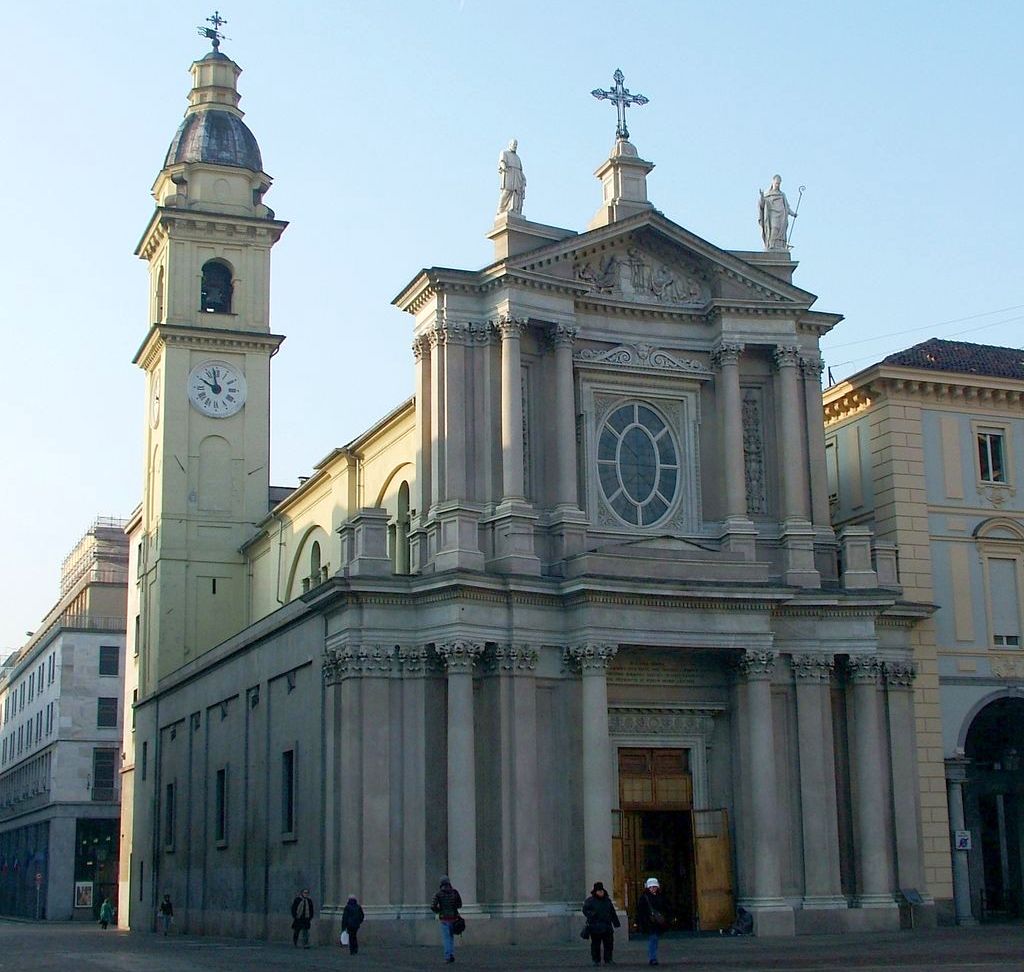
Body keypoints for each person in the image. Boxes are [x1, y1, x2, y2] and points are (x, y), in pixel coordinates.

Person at [582, 880, 620, 966]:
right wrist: (591, 915)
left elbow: (612, 912)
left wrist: (616, 923)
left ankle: (608, 959)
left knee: (609, 944)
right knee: (596, 945)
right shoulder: (590, 901)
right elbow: (585, 910)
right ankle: (596, 960)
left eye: (601, 891)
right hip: (595, 926)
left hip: (607, 926)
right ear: (595, 892)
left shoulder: (607, 900)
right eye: (599, 891)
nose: (600, 892)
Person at [758, 174, 797, 250]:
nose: (777, 185)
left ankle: (780, 246)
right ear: (773, 182)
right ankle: (771, 245)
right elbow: (762, 205)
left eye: (779, 183)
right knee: (774, 228)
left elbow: (787, 207)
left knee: (781, 231)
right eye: (776, 183)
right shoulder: (767, 195)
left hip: (782, 216)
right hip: (773, 215)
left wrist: (793, 214)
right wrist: (762, 196)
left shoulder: (782, 195)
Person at [430, 875, 462, 964]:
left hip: (444, 918)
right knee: (451, 937)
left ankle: (448, 955)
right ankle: (451, 953)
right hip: (454, 918)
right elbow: (460, 904)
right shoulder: (455, 892)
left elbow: (433, 906)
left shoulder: (438, 894)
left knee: (446, 938)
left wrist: (439, 911)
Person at [636, 876, 668, 966]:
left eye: (654, 887)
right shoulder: (644, 898)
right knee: (653, 939)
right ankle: (652, 958)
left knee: (655, 939)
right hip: (650, 922)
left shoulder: (660, 896)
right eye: (651, 887)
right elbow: (641, 911)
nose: (653, 889)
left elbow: (665, 908)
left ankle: (653, 957)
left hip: (657, 922)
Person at [497, 139, 526, 215]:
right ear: (509, 144)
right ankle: (500, 209)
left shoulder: (517, 158)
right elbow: (502, 161)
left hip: (517, 176)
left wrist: (523, 178)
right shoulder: (504, 153)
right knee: (507, 191)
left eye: (516, 145)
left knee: (516, 193)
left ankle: (513, 209)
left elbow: (520, 170)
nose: (515, 146)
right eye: (514, 144)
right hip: (508, 173)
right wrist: (503, 167)